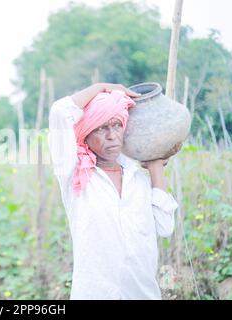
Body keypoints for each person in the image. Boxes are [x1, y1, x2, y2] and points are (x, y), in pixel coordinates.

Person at [48, 82, 179, 300]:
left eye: (117, 125)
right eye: (101, 128)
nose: (112, 135)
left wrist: (156, 169)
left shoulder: (136, 179)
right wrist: (102, 87)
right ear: (85, 136)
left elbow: (165, 227)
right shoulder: (75, 175)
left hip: (142, 294)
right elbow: (59, 112)